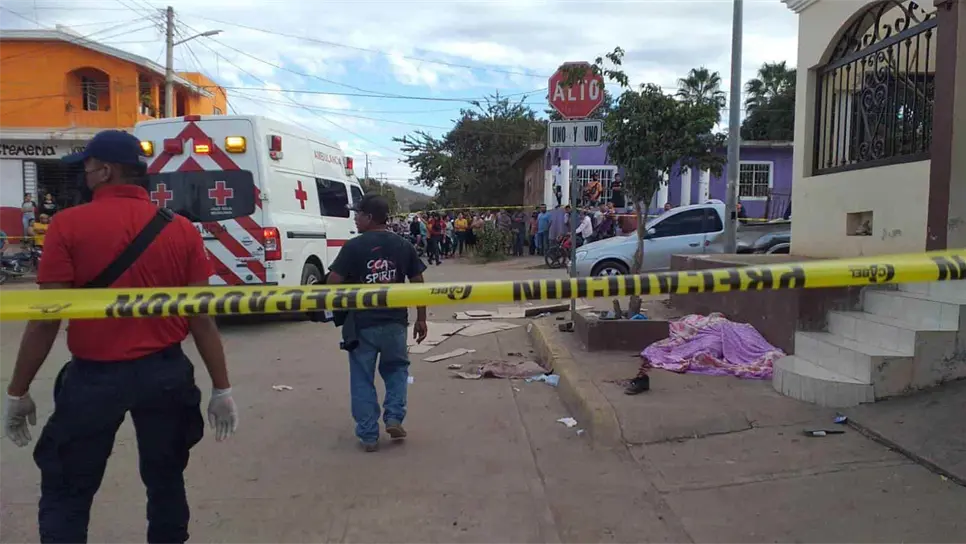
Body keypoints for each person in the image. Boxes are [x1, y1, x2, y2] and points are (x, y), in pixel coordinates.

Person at [1, 129, 237, 543]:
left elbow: (45, 319)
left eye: (88, 167)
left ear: (107, 170)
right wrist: (222, 387)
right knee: (166, 480)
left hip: (94, 379)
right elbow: (201, 316)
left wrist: (18, 391)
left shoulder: (67, 225)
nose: (85, 175)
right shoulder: (181, 229)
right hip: (165, 375)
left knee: (67, 488)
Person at [326, 194, 428, 452]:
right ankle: (394, 417)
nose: (355, 218)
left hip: (362, 324)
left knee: (362, 378)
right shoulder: (403, 245)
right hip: (395, 323)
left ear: (370, 217)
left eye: (358, 214)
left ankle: (369, 435)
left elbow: (333, 282)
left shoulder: (353, 247)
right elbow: (418, 283)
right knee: (397, 370)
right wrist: (421, 318)